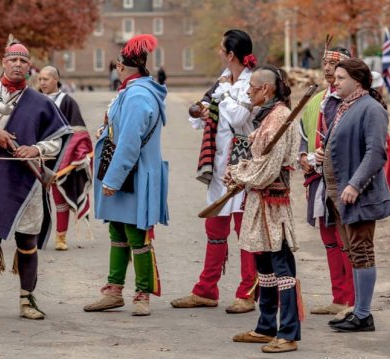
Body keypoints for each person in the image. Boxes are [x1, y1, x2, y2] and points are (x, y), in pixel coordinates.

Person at [0, 39, 72, 321]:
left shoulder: (41, 102)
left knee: (27, 240)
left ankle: (27, 300)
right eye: (13, 59)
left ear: (29, 65)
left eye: (23, 60)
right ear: (4, 63)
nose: (18, 64)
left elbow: (56, 142)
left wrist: (36, 149)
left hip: (28, 182)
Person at [171, 29, 257, 314]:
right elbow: (200, 112)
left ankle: (248, 292)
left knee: (244, 229)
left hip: (243, 162)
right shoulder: (223, 80)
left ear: (231, 54)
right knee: (215, 225)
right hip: (219, 163)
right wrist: (202, 110)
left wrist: (223, 94)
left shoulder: (250, 83)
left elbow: (239, 116)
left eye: (222, 49)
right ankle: (207, 289)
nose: (219, 52)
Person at [83, 34, 168, 316]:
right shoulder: (133, 91)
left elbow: (131, 142)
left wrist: (112, 179)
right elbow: (123, 131)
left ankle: (142, 295)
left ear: (121, 66)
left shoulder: (137, 95)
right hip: (128, 171)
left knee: (136, 233)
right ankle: (114, 290)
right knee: (118, 229)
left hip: (133, 174)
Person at [316, 58, 390, 332]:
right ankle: (357, 311)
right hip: (339, 195)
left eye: (340, 78)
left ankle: (363, 315)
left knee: (362, 252)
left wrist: (354, 184)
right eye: (334, 78)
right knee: (352, 252)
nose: (334, 82)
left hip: (358, 194)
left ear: (357, 81)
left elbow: (376, 153)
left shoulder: (370, 108)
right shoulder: (344, 106)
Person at [230, 65, 301, 353]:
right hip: (261, 200)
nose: (247, 91)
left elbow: (267, 170)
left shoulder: (279, 120)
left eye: (252, 87)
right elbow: (256, 162)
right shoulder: (270, 117)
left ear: (266, 89)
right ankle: (266, 327)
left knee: (281, 266)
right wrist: (240, 169)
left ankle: (288, 333)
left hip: (274, 204)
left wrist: (238, 174)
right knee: (266, 266)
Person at [299, 45, 355, 317]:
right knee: (328, 238)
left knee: (348, 239)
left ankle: (354, 300)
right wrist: (302, 155)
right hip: (317, 177)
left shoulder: (354, 101)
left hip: (344, 180)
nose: (328, 68)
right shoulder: (316, 100)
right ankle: (339, 296)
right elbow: (303, 132)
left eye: (335, 64)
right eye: (325, 63)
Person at [38, 65, 93, 250]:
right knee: (35, 199)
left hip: (61, 157)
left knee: (59, 196)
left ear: (56, 80)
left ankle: (60, 237)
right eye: (40, 79)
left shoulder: (67, 102)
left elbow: (79, 131)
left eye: (46, 79)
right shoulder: (34, 99)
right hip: (36, 154)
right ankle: (35, 235)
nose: (42, 83)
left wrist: (74, 154)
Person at [371, 71, 390, 207]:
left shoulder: (376, 101)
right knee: (386, 168)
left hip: (384, 136)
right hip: (380, 138)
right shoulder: (374, 103)